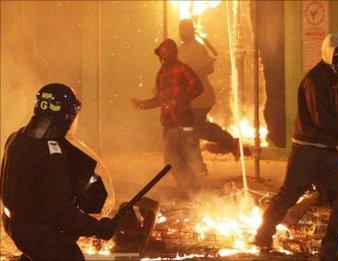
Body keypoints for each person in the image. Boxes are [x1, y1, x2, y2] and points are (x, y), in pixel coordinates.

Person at [254, 34, 338, 260]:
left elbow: (334, 116)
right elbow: (321, 118)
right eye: (337, 55)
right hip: (307, 150)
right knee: (288, 196)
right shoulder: (315, 79)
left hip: (327, 150)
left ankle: (329, 251)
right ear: (327, 53)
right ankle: (263, 234)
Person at [0, 83, 117, 260]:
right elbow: (64, 215)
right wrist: (99, 228)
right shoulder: (51, 154)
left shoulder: (17, 138)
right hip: (37, 232)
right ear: (67, 116)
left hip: (13, 224)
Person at [131, 38, 207, 198]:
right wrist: (145, 104)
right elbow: (161, 98)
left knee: (186, 157)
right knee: (172, 160)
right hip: (169, 123)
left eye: (165, 54)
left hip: (184, 121)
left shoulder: (182, 69)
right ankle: (190, 192)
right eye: (161, 55)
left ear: (172, 54)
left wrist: (178, 101)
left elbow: (198, 87)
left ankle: (194, 193)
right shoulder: (162, 74)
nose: (162, 58)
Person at [177, 19, 245, 159]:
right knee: (194, 128)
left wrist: (194, 73)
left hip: (201, 97)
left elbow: (209, 68)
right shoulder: (181, 49)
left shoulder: (198, 48)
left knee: (194, 128)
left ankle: (199, 164)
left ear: (191, 31)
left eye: (185, 30)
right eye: (181, 30)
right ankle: (230, 144)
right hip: (190, 98)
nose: (182, 33)